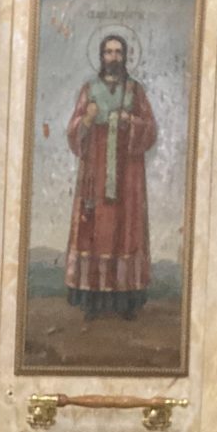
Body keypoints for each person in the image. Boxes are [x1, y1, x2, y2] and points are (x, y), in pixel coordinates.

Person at [63, 33, 157, 320]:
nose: (113, 57)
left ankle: (126, 301)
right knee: (95, 229)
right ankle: (92, 299)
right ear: (101, 56)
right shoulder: (89, 90)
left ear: (125, 56)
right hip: (96, 167)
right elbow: (73, 131)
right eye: (108, 52)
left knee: (125, 229)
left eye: (118, 52)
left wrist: (132, 122)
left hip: (128, 173)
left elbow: (150, 128)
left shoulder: (135, 90)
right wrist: (87, 119)